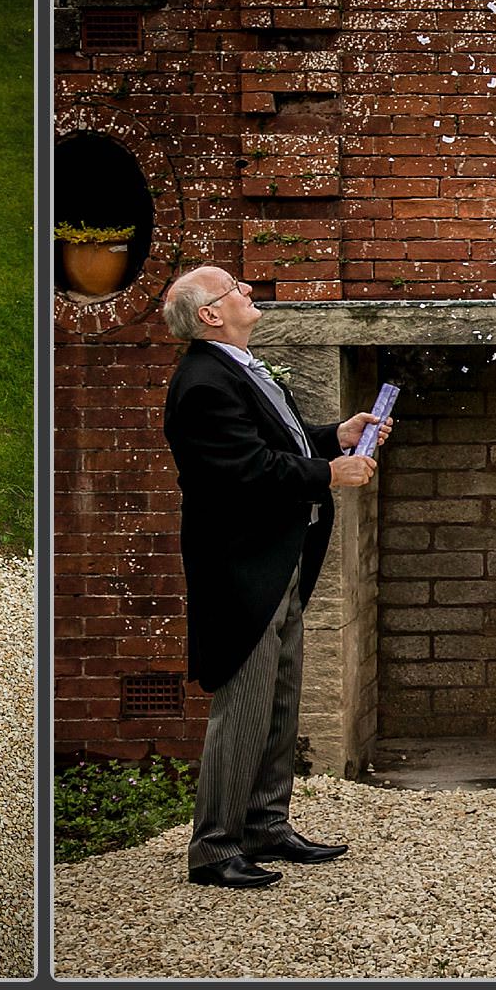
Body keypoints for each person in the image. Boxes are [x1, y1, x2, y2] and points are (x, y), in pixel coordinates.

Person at [161, 266, 391, 889]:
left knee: (282, 694)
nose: (247, 291)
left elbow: (278, 444)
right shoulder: (204, 382)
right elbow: (244, 469)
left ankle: (266, 824)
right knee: (244, 702)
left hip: (279, 555)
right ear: (210, 314)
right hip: (240, 565)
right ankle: (213, 848)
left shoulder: (239, 367)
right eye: (234, 287)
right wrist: (329, 476)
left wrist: (332, 438)